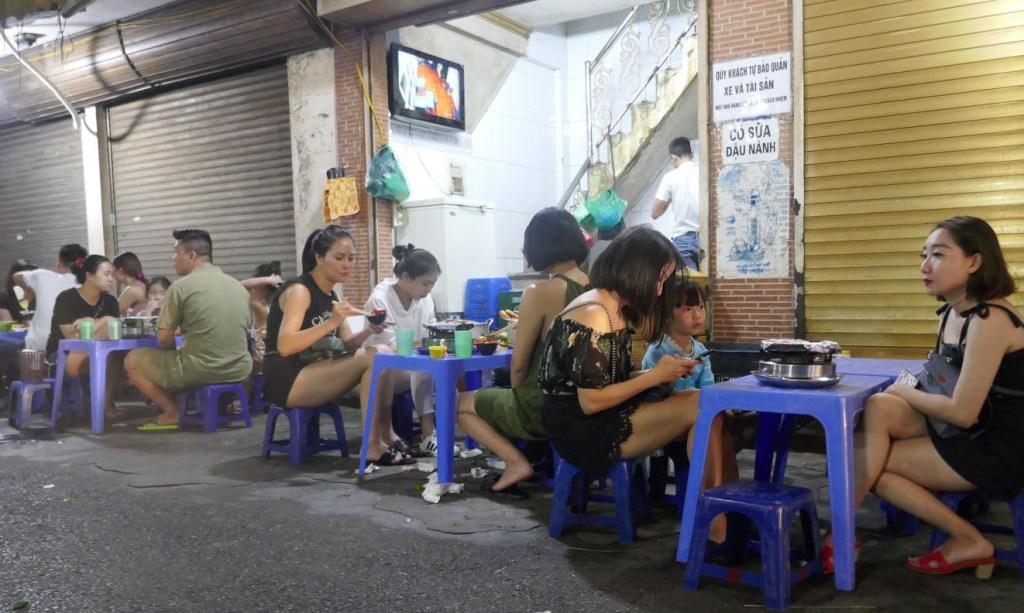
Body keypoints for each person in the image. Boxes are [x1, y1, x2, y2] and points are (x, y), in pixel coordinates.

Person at [823, 216, 1023, 578]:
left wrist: (903, 390)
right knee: (879, 409)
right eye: (924, 255)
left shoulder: (990, 319)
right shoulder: (952, 312)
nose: (925, 266)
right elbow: (944, 382)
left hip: (997, 447)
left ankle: (968, 540)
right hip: (971, 430)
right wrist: (901, 393)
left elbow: (962, 412)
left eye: (939, 255)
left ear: (974, 262)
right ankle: (841, 533)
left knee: (868, 467)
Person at [539, 225, 736, 540]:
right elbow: (591, 401)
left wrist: (658, 373)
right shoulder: (594, 312)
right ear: (637, 271)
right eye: (659, 279)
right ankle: (713, 526)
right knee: (702, 406)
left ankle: (722, 517)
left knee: (709, 406)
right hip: (581, 429)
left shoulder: (611, 307)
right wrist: (655, 376)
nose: (660, 289)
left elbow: (607, 380)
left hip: (601, 415)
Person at [456, 208, 591, 496]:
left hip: (543, 408)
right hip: (589, 404)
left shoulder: (538, 293)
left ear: (538, 247)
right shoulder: (596, 289)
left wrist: (516, 398)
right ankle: (534, 457)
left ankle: (515, 462)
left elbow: (518, 366)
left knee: (459, 403)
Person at [263, 226, 413, 465]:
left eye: (351, 258)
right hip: (287, 378)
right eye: (339, 258)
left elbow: (347, 346)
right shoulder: (300, 290)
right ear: (319, 258)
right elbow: (285, 345)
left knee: (383, 355)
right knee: (377, 355)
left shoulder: (331, 296)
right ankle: (372, 445)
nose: (347, 265)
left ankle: (386, 435)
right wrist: (331, 322)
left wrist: (369, 330)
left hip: (313, 371)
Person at [124, 230, 253, 430]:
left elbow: (163, 338)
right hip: (240, 368)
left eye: (177, 253)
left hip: (200, 369)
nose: (173, 258)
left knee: (133, 360)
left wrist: (169, 356)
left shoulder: (180, 287)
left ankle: (171, 412)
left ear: (192, 255)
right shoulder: (237, 286)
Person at [363, 244, 440, 453]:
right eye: (425, 283)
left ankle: (458, 432)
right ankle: (428, 434)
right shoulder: (380, 299)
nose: (429, 289)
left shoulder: (425, 299)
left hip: (409, 364)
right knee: (423, 369)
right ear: (406, 277)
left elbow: (430, 333)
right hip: (382, 370)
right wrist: (424, 344)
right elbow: (390, 348)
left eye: (432, 284)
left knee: (451, 370)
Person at [47, 255, 125, 420]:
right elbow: (72, 337)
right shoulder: (67, 298)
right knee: (108, 360)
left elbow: (112, 332)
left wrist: (92, 324)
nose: (111, 279)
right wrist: (103, 321)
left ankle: (104, 403)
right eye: (106, 274)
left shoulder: (110, 301)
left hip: (98, 352)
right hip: (63, 355)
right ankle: (104, 405)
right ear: (89, 275)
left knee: (118, 357)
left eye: (112, 274)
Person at [642, 279, 714, 391]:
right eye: (688, 309)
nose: (697, 315)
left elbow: (709, 388)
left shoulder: (701, 350)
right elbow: (650, 393)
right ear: (666, 315)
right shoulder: (657, 351)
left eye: (701, 307)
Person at [14, 243, 87, 352]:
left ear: (59, 262)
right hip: (72, 347)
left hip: (38, 347)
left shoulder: (43, 276)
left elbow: (16, 276)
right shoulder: (86, 285)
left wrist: (28, 292)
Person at [651, 137, 700, 270]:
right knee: (710, 281)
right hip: (706, 237)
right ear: (691, 154)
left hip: (682, 239)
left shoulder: (670, 178)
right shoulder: (703, 173)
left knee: (689, 282)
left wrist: (669, 199)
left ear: (673, 157)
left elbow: (655, 213)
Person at [242, 261, 284, 376]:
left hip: (262, 362)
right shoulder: (282, 303)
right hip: (279, 358)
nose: (253, 289)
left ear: (262, 286)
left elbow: (240, 285)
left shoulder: (262, 309)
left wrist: (267, 279)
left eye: (256, 285)